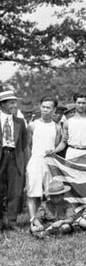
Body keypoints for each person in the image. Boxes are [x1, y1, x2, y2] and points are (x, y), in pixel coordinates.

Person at [25, 97, 62, 223]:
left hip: (50, 162)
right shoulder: (32, 125)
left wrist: (52, 153)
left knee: (50, 192)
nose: (45, 110)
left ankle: (47, 217)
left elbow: (56, 146)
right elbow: (28, 145)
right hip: (35, 160)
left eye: (48, 107)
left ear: (54, 110)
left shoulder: (57, 127)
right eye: (43, 107)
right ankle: (33, 220)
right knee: (32, 191)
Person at [0, 90, 28, 230]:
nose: (15, 105)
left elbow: (24, 145)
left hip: (15, 158)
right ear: (2, 105)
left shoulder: (20, 121)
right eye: (11, 102)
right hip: (1, 157)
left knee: (15, 191)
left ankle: (12, 222)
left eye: (15, 102)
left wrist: (24, 163)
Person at [52, 94, 86, 160]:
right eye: (79, 103)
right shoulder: (68, 123)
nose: (81, 105)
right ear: (75, 103)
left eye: (83, 103)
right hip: (72, 153)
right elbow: (63, 143)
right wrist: (54, 151)